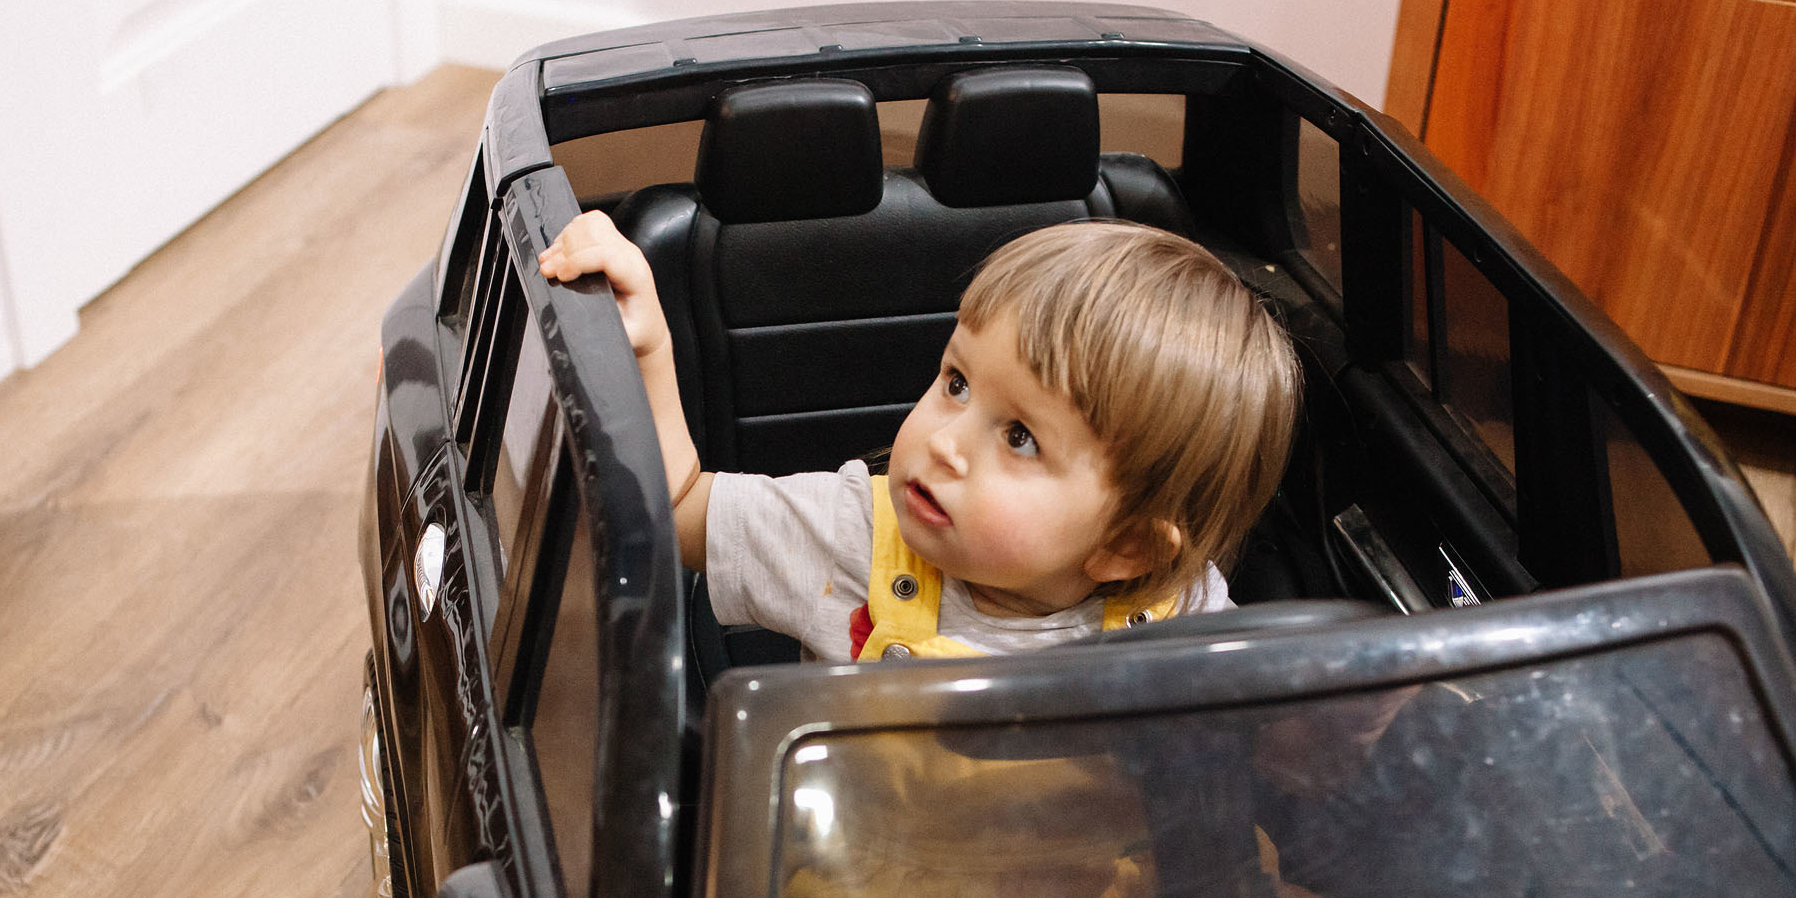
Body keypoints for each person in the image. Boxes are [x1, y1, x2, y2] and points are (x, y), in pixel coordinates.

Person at [538, 214, 1300, 659]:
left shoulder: (1184, 614)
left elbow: (1254, 741)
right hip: (881, 897)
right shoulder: (856, 535)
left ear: (1129, 548)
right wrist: (646, 350)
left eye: (1021, 438)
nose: (944, 442)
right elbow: (678, 510)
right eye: (957, 383)